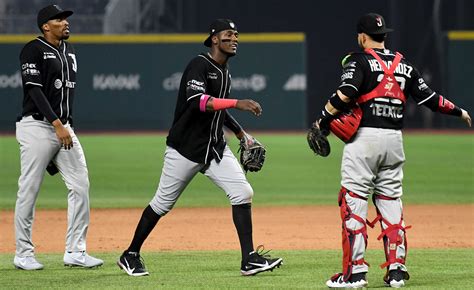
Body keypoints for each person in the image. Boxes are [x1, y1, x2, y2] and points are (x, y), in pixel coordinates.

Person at [313, 13, 471, 288]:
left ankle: (355, 273)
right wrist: (459, 111)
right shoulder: (405, 65)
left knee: (353, 201)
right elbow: (431, 99)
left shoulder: (358, 60)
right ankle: (397, 271)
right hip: (394, 140)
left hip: (364, 139)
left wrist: (323, 119)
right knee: (390, 201)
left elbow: (346, 92)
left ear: (362, 37)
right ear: (384, 35)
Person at [117, 19, 283, 277]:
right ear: (215, 39)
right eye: (229, 34)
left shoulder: (225, 72)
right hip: (185, 149)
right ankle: (130, 254)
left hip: (215, 149)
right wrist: (237, 102)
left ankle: (248, 259)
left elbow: (219, 110)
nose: (235, 38)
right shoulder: (199, 65)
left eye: (237, 34)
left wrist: (241, 133)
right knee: (162, 203)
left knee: (242, 192)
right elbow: (199, 102)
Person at [14, 4, 103, 270]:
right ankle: (23, 253)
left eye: (66, 19)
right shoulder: (33, 49)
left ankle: (75, 251)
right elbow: (34, 90)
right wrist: (56, 124)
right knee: (28, 189)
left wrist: (65, 125)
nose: (66, 22)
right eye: (59, 19)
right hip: (37, 127)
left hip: (64, 128)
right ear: (45, 26)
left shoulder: (69, 51)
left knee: (80, 185)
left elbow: (66, 95)